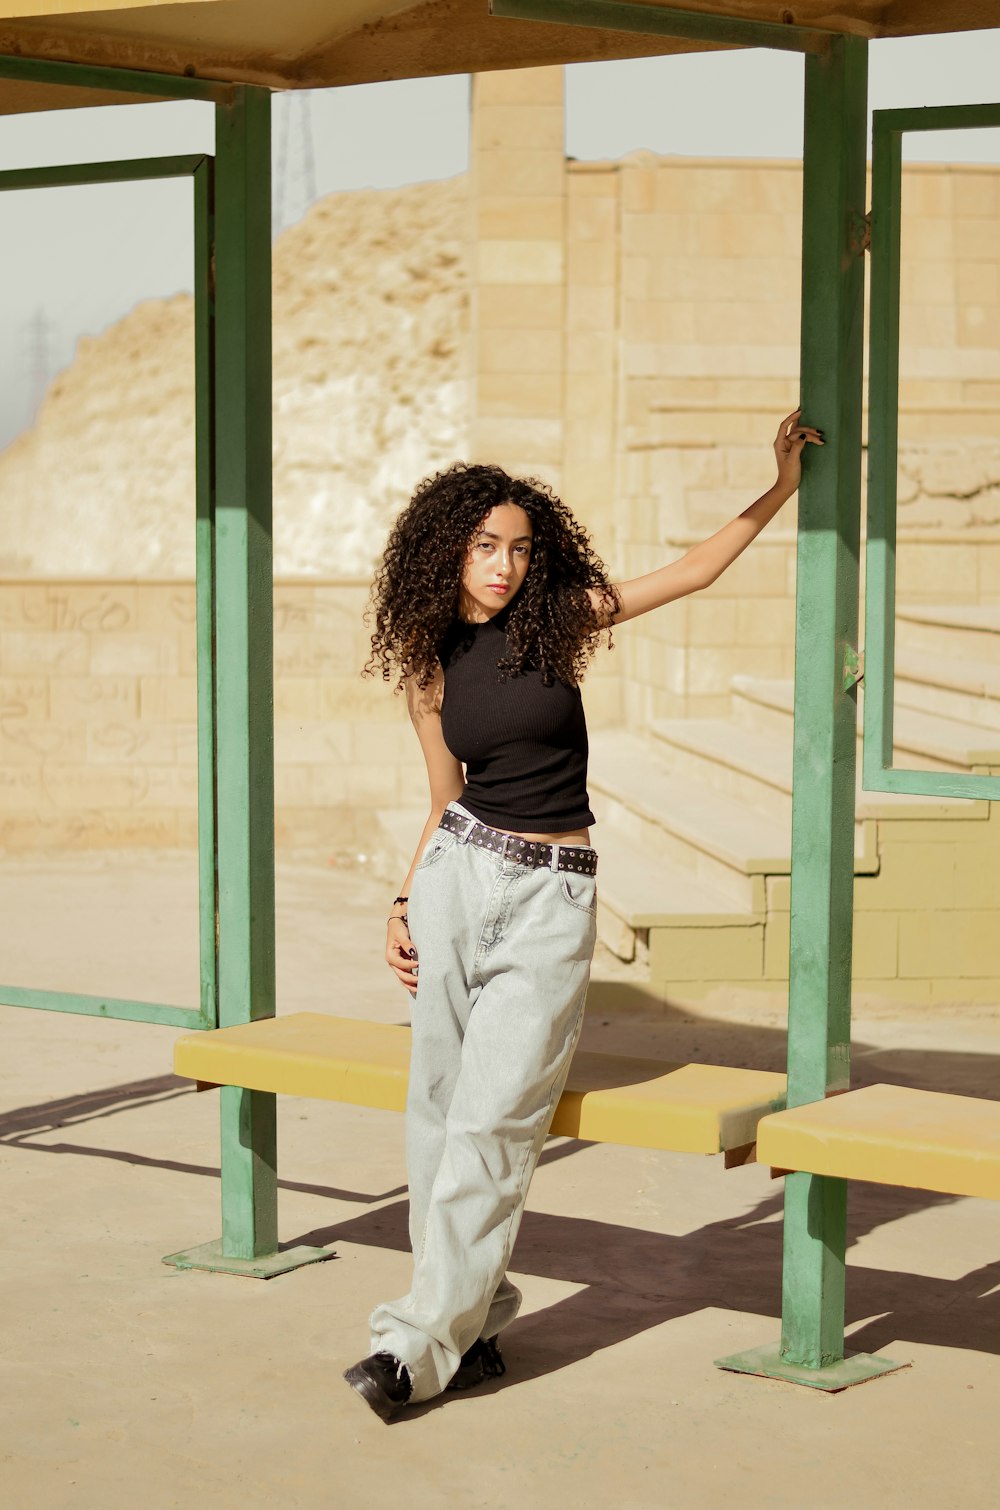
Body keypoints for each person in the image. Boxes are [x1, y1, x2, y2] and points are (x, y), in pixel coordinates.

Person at [343, 410, 822, 1421]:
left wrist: (777, 486)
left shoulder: (560, 618)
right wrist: (401, 897)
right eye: (484, 546)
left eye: (519, 547)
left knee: (492, 1120)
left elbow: (691, 571)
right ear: (448, 550)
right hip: (455, 880)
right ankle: (471, 1327)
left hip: (549, 894)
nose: (504, 566)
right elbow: (442, 799)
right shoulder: (429, 665)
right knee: (435, 1115)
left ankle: (415, 1345)